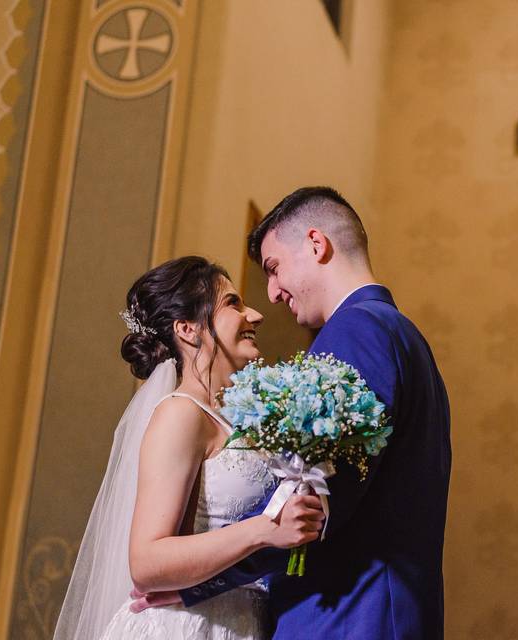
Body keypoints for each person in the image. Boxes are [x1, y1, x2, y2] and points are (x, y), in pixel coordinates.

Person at [133, 187, 453, 639]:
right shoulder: (399, 333)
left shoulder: (356, 331)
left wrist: (198, 584)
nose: (271, 294)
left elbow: (320, 500)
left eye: (273, 268)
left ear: (317, 245)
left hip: (351, 616)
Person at [54, 256, 326, 640]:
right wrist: (265, 529)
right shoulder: (181, 414)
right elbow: (147, 561)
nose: (256, 314)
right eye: (233, 303)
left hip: (241, 619)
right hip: (187, 625)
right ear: (188, 329)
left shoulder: (235, 418)